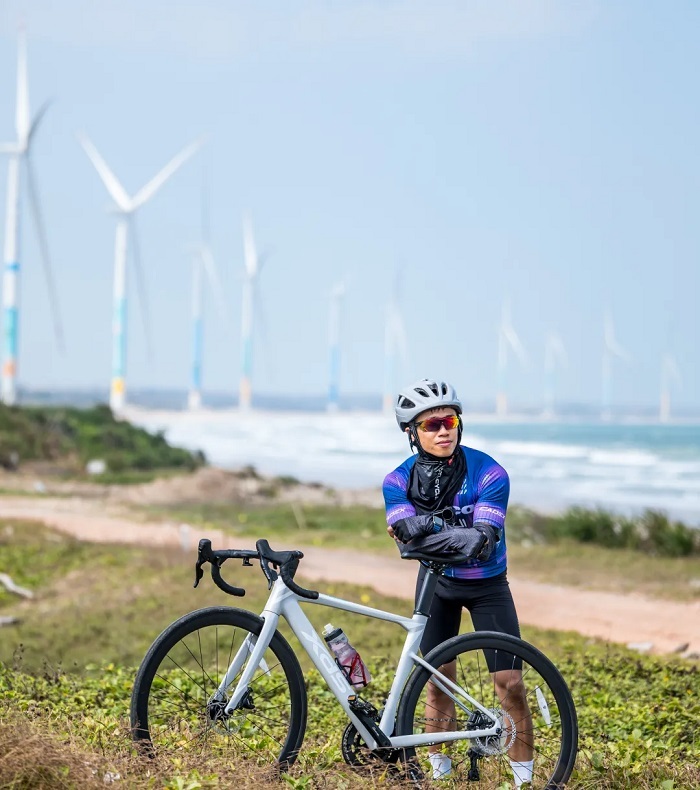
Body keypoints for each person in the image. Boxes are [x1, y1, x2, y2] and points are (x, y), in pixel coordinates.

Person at [382, 378, 534, 787]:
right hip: (436, 585)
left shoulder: (490, 473)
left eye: (449, 421)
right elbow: (407, 535)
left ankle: (524, 781)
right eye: (431, 425)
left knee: (511, 685)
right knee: (438, 684)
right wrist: (439, 533)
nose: (443, 431)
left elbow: (480, 542)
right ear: (411, 432)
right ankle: (440, 776)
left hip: (488, 586)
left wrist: (427, 528)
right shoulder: (396, 481)